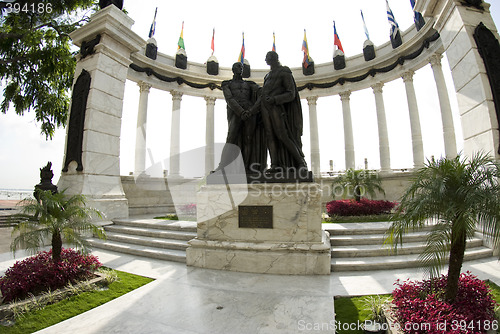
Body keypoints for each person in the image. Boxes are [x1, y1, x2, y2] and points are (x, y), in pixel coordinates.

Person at [259, 51, 307, 172]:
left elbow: (291, 93)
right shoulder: (267, 76)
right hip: (265, 108)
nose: (266, 60)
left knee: (283, 135)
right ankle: (275, 164)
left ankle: (301, 162)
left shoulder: (284, 72)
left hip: (276, 107)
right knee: (269, 136)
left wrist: (275, 99)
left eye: (267, 58)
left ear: (274, 58)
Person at [216, 62, 266, 173]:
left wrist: (252, 110)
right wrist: (241, 112)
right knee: (230, 139)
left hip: (249, 112)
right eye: (238, 67)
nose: (240, 69)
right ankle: (222, 166)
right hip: (236, 112)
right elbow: (229, 99)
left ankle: (247, 167)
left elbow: (263, 93)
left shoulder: (250, 84)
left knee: (249, 139)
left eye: (242, 67)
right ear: (233, 69)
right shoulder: (226, 84)